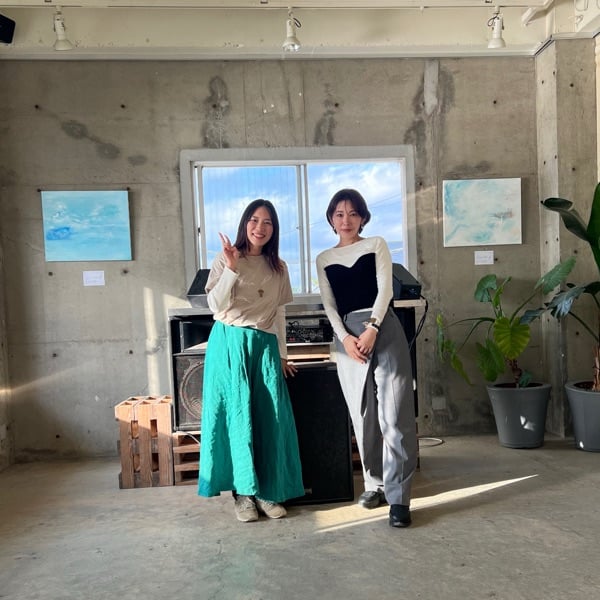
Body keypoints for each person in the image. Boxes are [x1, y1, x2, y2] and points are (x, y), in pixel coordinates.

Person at [198, 199, 305, 523]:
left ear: (275, 229)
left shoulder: (279, 267)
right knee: (236, 418)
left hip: (264, 346)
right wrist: (231, 268)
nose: (260, 228)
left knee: (269, 419)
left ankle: (266, 490)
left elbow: (279, 312)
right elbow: (214, 306)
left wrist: (283, 354)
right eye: (255, 220)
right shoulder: (226, 258)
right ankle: (243, 494)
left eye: (268, 222)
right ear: (245, 223)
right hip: (230, 343)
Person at [316, 188, 418, 528]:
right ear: (331, 219)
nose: (346, 220)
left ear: (362, 217)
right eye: (339, 214)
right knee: (363, 415)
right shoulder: (324, 258)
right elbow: (329, 305)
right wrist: (345, 338)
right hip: (346, 337)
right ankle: (375, 485)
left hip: (383, 329)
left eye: (353, 213)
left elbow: (385, 289)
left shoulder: (376, 244)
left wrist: (372, 328)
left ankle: (399, 498)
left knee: (395, 414)